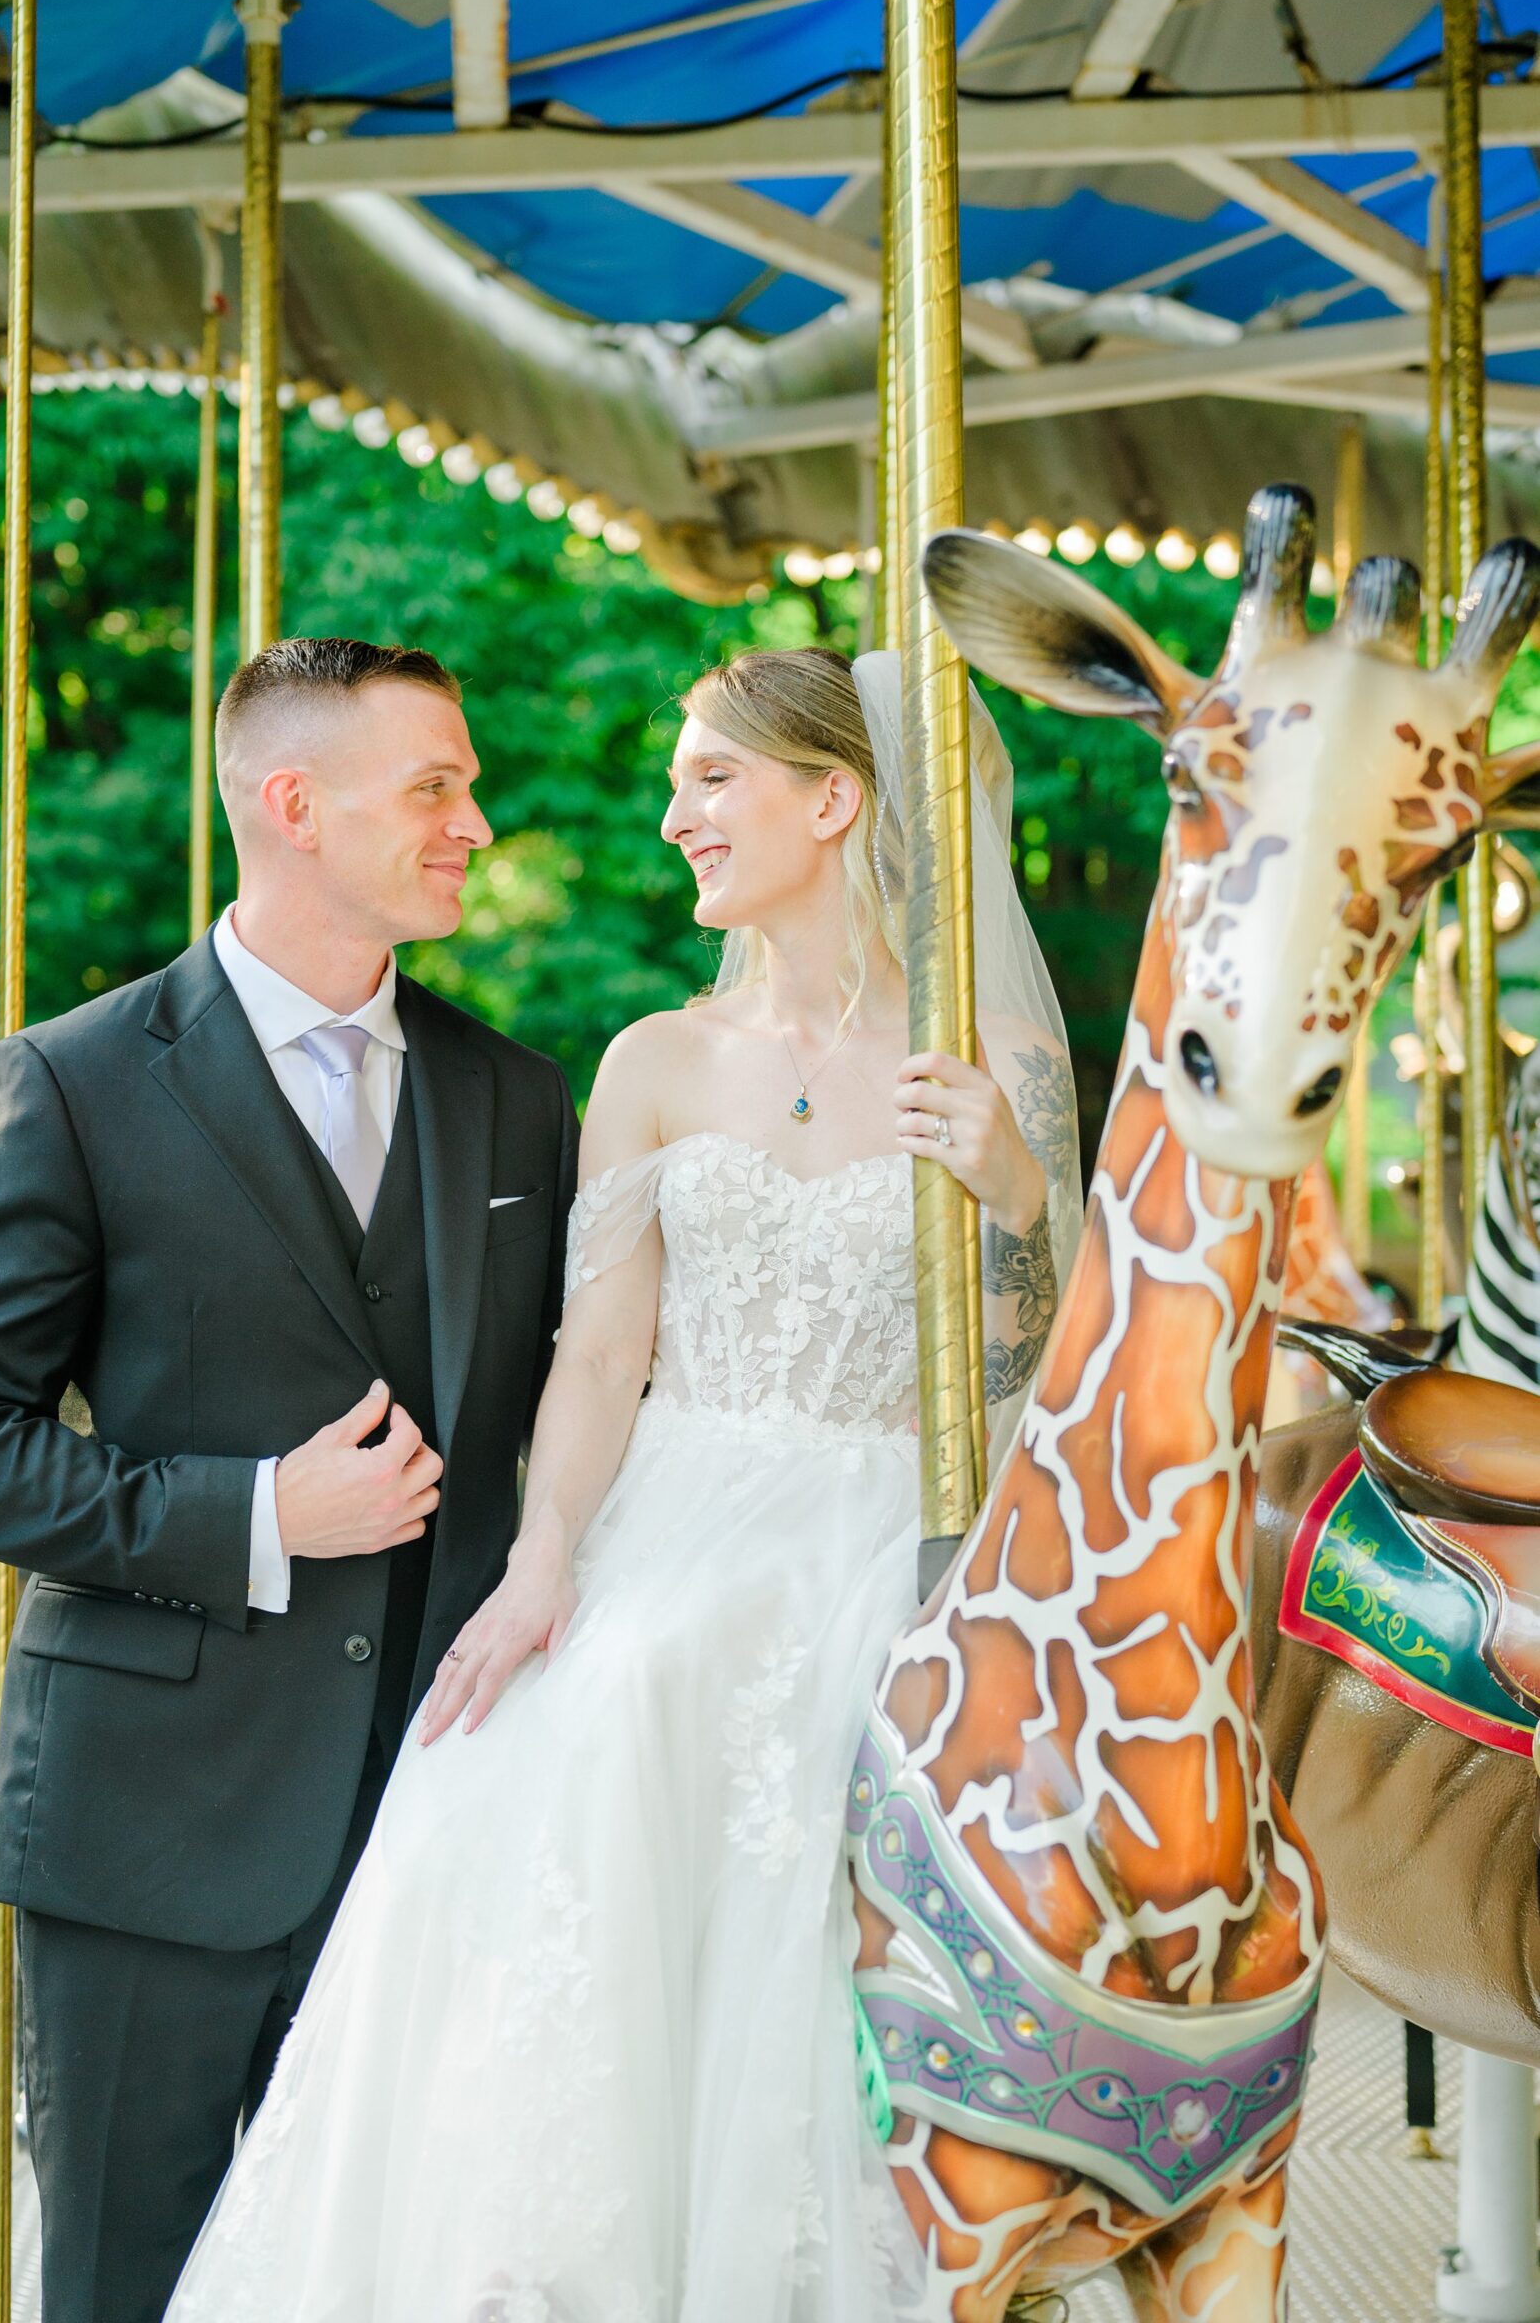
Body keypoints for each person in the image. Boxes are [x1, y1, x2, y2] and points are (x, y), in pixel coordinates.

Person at [165, 643, 1081, 2323]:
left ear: (834, 798)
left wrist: (1018, 1190)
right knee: (560, 1746)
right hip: (675, 1509)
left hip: (889, 1533)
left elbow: (1049, 1367)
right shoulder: (653, 1059)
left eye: (712, 779)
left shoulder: (995, 1052)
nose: (674, 821)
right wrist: (547, 1556)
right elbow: (599, 1357)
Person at [0, 638, 579, 2323]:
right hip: (152, 1842)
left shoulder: (518, 1099)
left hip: (437, 1838)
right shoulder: (76, 1082)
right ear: (294, 805)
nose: (474, 824)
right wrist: (258, 1514)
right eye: (435, 786)